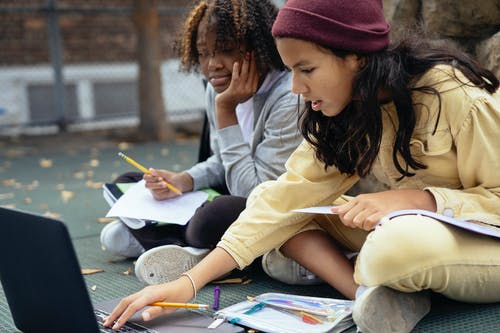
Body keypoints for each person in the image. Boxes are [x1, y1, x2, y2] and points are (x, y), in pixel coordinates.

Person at [103, 0, 500, 331]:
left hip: (477, 240)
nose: (295, 87)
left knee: (396, 243)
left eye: (306, 69)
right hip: (400, 230)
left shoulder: (453, 95)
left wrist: (419, 200)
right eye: (291, 70)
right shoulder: (345, 109)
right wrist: (189, 283)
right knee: (273, 204)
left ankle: (379, 277)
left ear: (357, 58)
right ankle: (368, 295)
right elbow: (282, 199)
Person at [99, 0, 303, 285]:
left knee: (217, 214)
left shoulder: (288, 97)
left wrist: (226, 111)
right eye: (203, 53)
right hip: (233, 194)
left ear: (259, 46)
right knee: (131, 181)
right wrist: (183, 180)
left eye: (226, 50)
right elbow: (222, 161)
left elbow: (257, 194)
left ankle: (167, 239)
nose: (212, 65)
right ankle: (189, 245)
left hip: (265, 208)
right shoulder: (217, 86)